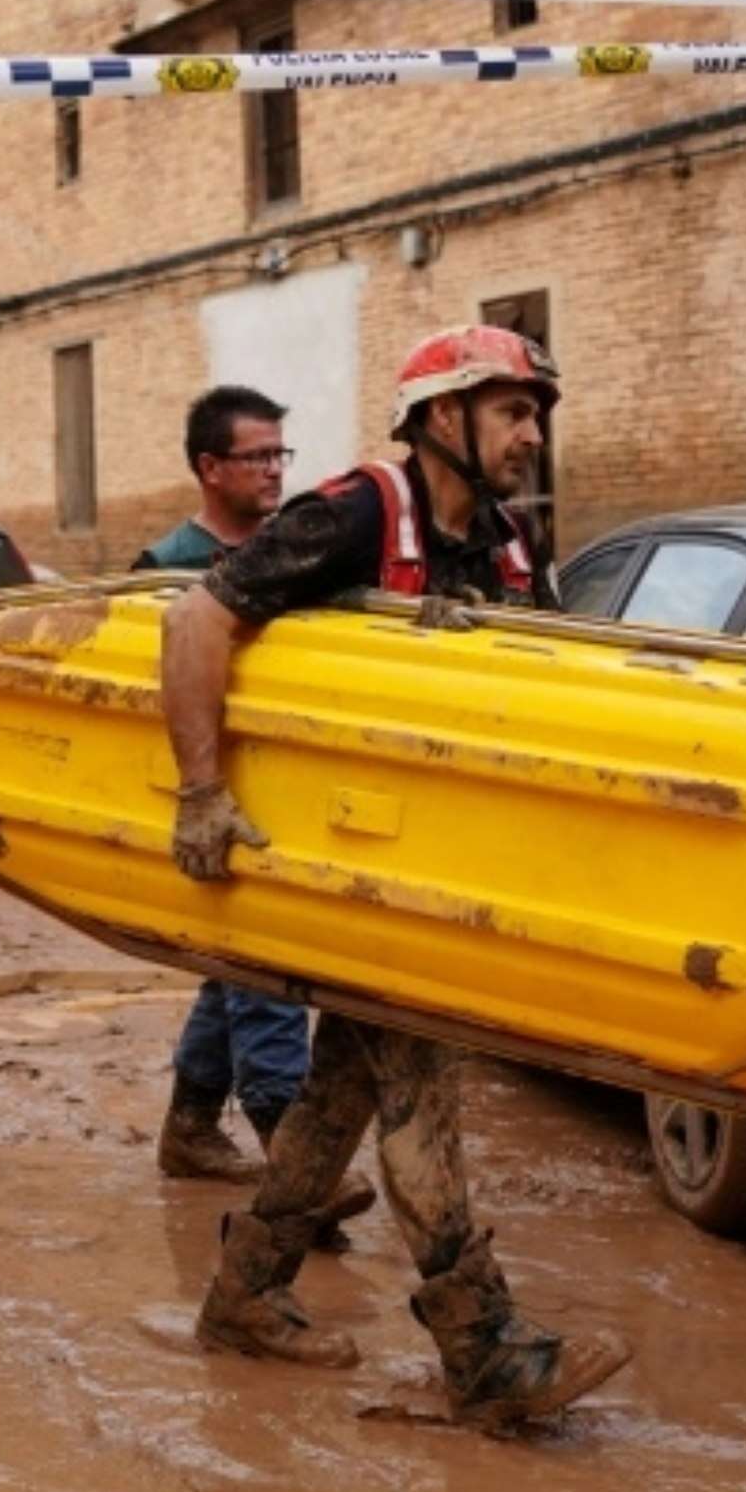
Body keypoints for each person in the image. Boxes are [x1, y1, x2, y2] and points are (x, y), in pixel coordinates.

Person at [160, 326, 632, 1429]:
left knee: (346, 1087)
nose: (531, 435)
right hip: (334, 859)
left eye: (535, 415)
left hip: (429, 867)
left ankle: (242, 1297)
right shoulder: (356, 514)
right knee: (418, 1074)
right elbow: (200, 616)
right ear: (440, 419)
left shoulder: (512, 549)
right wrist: (200, 794)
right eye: (512, 412)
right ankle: (483, 1350)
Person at [139, 386, 375, 1248]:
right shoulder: (168, 565)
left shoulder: (300, 553)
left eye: (283, 454)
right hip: (211, 796)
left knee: (232, 964)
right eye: (258, 457)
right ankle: (293, 1155)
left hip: (286, 791)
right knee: (263, 966)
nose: (277, 471)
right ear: (210, 468)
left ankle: (192, 1129)